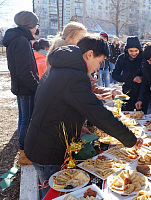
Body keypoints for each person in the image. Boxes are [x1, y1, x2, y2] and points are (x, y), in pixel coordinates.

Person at [24, 36, 143, 198]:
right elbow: (98, 113)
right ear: (89, 54)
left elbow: (59, 106)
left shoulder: (63, 68)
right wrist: (130, 139)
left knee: (53, 191)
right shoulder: (73, 76)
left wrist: (77, 126)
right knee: (54, 194)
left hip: (42, 143)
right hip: (48, 150)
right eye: (100, 61)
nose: (98, 67)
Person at [47, 21, 121, 101]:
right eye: (81, 39)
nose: (85, 42)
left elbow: (91, 87)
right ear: (68, 40)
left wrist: (109, 92)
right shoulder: (62, 62)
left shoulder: (77, 60)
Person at [2, 10, 39, 165]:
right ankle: (24, 154)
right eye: (35, 24)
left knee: (23, 118)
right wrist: (36, 87)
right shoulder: (22, 41)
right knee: (27, 120)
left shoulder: (16, 38)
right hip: (26, 88)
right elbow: (25, 70)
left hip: (21, 87)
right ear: (30, 25)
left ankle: (22, 150)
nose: (36, 28)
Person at [112, 36, 145, 111]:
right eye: (131, 51)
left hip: (141, 93)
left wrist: (141, 78)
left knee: (142, 118)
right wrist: (127, 78)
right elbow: (114, 74)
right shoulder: (121, 58)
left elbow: (148, 75)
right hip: (126, 92)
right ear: (127, 50)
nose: (134, 53)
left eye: (136, 51)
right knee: (125, 117)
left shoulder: (143, 58)